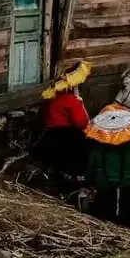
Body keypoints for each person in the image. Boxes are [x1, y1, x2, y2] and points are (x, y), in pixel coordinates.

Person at [32, 60, 93, 195]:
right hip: (67, 137)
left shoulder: (52, 97)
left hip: (49, 135)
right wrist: (81, 104)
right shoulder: (73, 101)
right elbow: (81, 123)